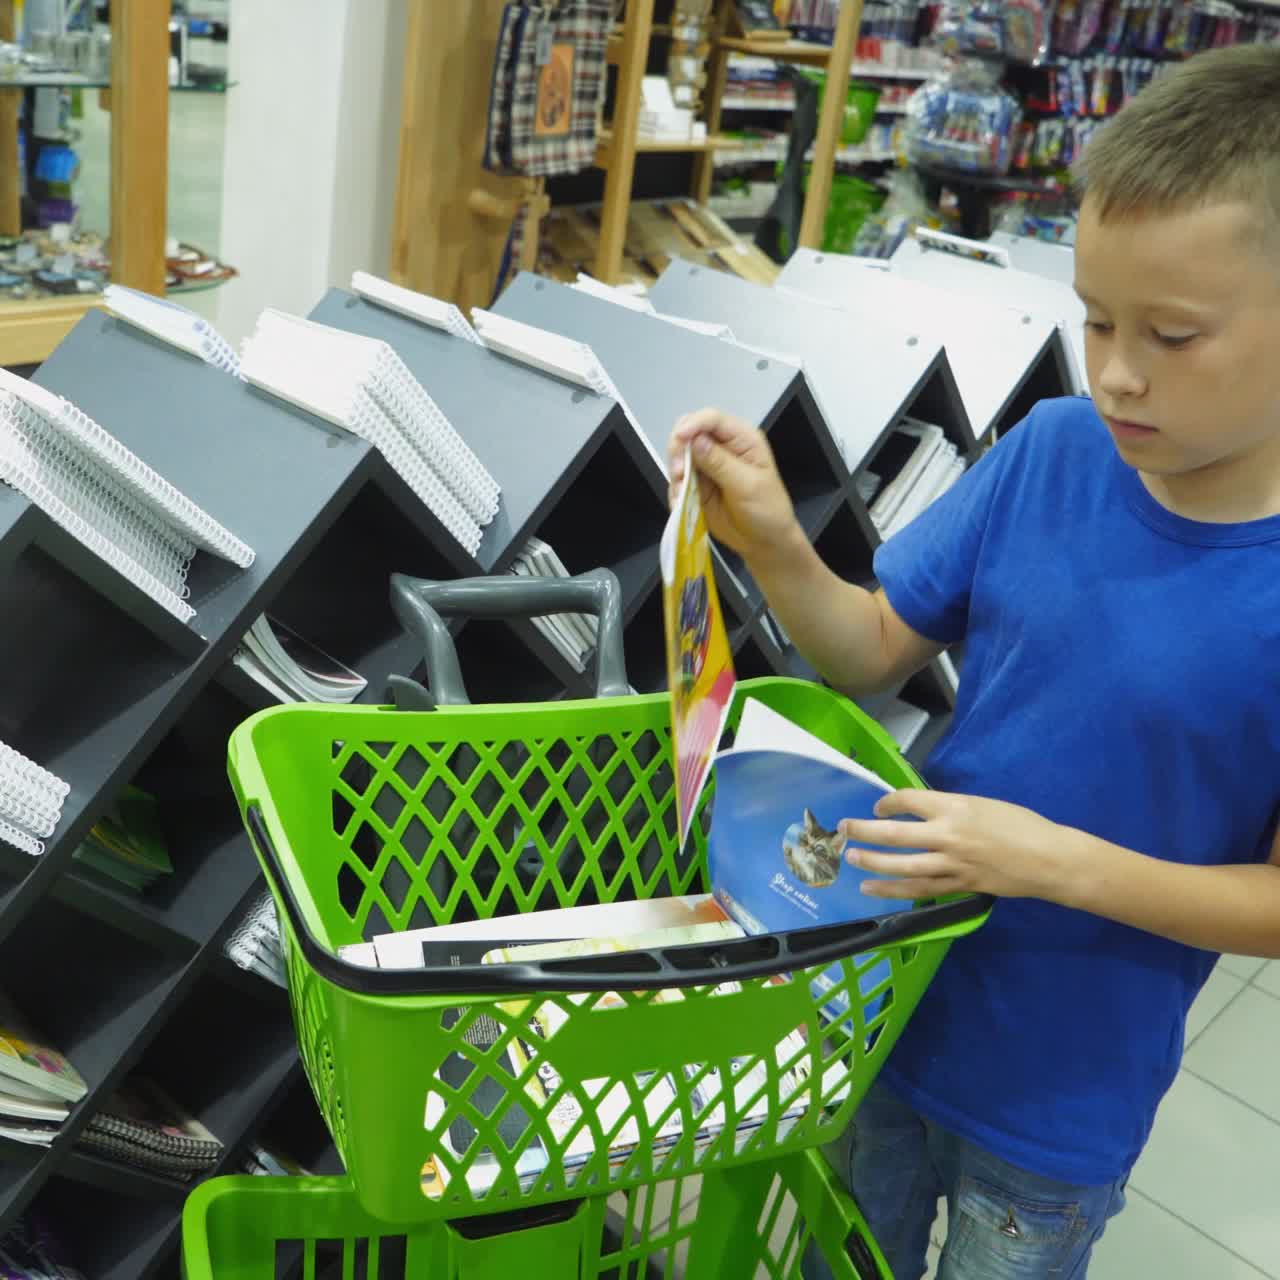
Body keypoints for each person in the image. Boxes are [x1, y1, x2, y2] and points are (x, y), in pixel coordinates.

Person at [667, 44, 1280, 1280]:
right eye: (1096, 318)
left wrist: (1037, 859)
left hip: (1058, 1094)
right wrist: (779, 541)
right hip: (886, 1004)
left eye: (1170, 334)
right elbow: (867, 649)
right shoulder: (1051, 449)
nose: (1114, 369)